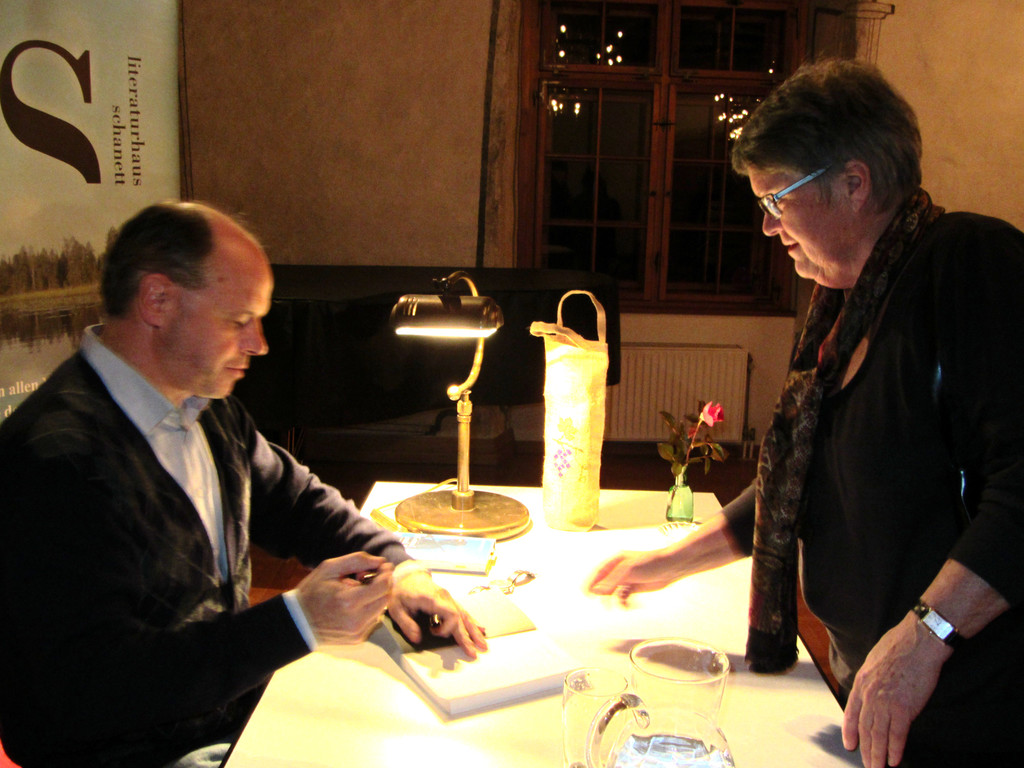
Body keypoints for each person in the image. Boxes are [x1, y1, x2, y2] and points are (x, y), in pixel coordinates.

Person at [586, 59, 1024, 768]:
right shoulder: (848, 306)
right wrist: (669, 562)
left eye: (777, 199)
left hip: (970, 703)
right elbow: (805, 477)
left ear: (854, 183)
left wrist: (925, 636)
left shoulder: (970, 262)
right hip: (877, 690)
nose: (768, 226)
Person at [0, 201, 488, 768]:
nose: (259, 343)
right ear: (157, 301)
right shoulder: (52, 461)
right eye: (238, 320)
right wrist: (298, 621)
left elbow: (299, 503)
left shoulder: (203, 406)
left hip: (228, 720)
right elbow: (88, 692)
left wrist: (399, 570)